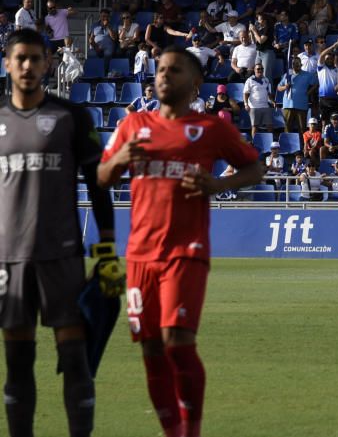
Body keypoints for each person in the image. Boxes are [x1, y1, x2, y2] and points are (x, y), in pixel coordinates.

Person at [97, 46, 264, 437]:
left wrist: (218, 184)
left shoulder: (210, 129)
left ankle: (191, 430)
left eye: (174, 71)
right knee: (151, 349)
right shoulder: (132, 125)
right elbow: (103, 179)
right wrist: (119, 156)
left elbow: (254, 167)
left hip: (185, 250)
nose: (164, 76)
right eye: (160, 70)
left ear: (195, 83)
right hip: (140, 254)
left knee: (177, 341)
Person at [0, 29, 121, 437]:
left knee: (74, 359)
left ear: (48, 63)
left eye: (36, 58)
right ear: (7, 63)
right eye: (21, 58)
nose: (28, 66)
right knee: (17, 360)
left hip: (62, 255)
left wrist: (106, 247)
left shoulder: (72, 116)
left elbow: (98, 183)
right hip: (8, 260)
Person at [243, 63, 275, 138]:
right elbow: (245, 93)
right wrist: (246, 104)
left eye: (261, 69)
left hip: (265, 106)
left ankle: (271, 142)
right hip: (254, 107)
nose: (260, 70)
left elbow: (269, 93)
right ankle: (254, 143)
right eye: (258, 69)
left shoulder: (266, 80)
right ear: (254, 70)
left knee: (270, 126)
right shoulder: (250, 80)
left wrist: (273, 101)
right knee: (255, 127)